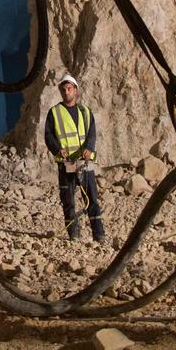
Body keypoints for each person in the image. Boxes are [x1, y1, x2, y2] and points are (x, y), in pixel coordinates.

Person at [43, 74, 105, 242]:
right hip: (66, 163)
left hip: (84, 163)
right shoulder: (54, 112)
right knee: (69, 200)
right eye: (63, 89)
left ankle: (99, 235)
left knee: (92, 198)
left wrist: (89, 149)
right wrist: (57, 150)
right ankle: (74, 235)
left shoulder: (85, 112)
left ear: (76, 90)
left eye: (69, 88)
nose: (66, 91)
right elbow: (48, 136)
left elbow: (91, 133)